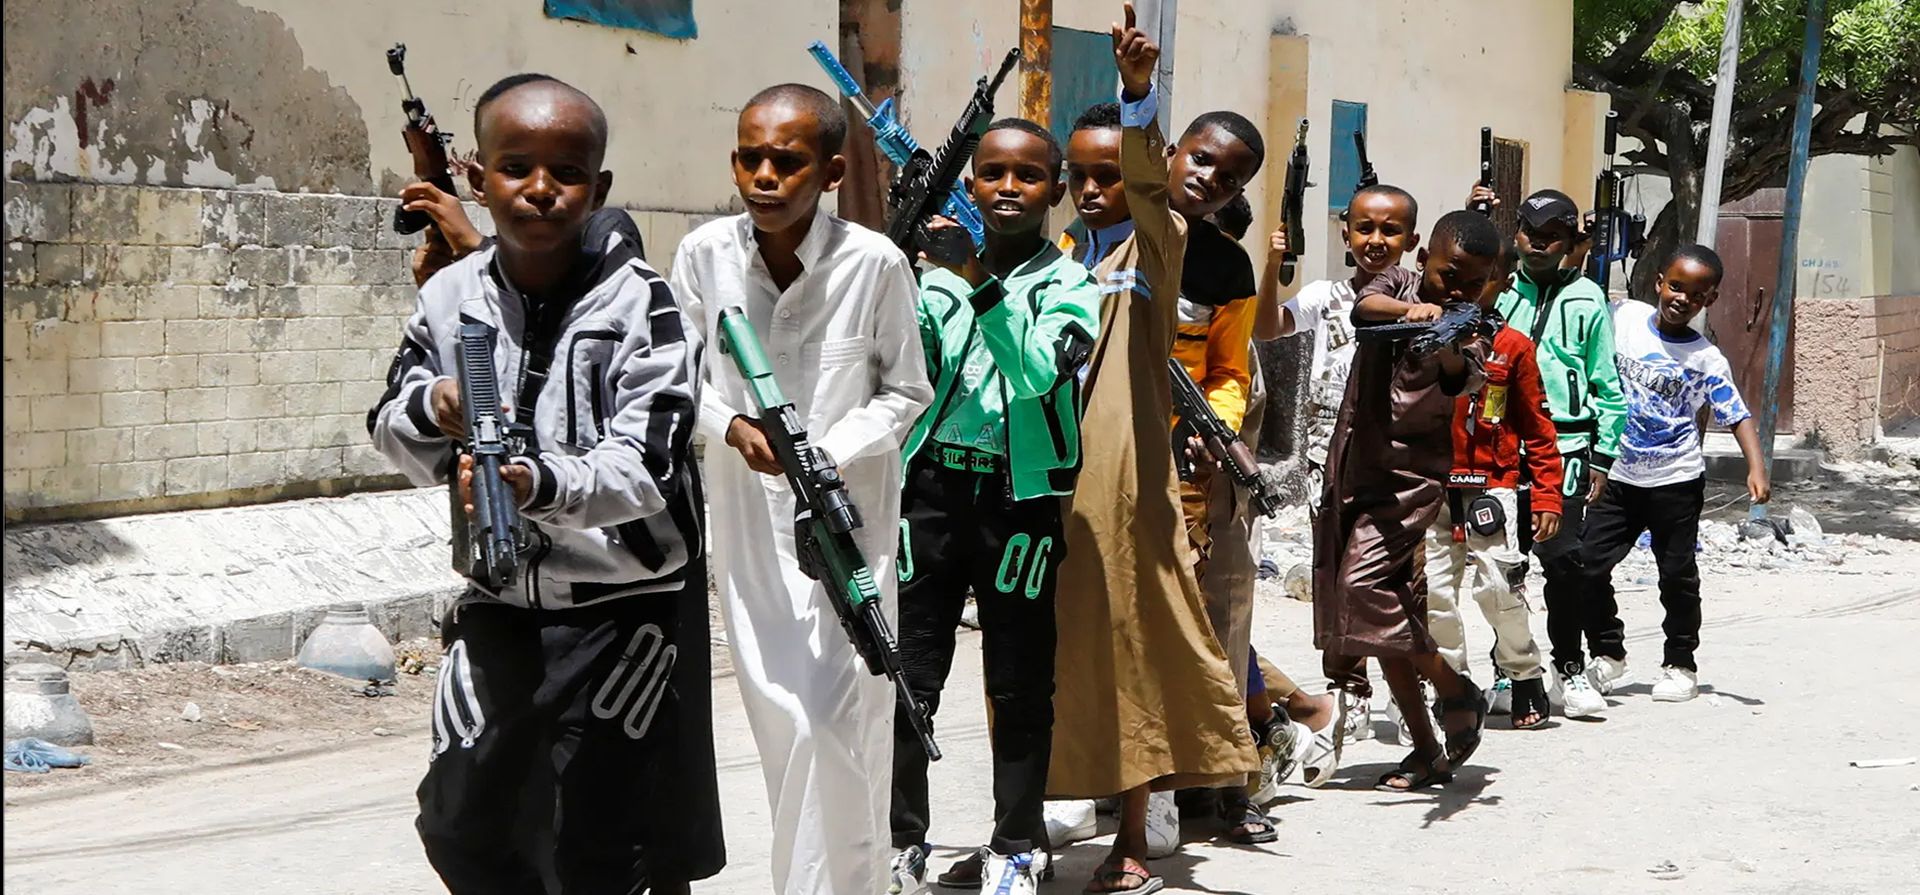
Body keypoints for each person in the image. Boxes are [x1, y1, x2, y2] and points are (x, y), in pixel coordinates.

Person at [368, 73, 719, 895]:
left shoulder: (647, 308)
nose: (539, 189)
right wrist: (437, 406)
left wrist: (537, 482)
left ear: (597, 189)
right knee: (461, 820)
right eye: (515, 165)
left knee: (602, 841)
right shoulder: (451, 296)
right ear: (478, 178)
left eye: (565, 172)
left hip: (620, 611)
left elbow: (650, 464)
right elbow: (388, 423)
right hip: (498, 602)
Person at [670, 83, 932, 895]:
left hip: (848, 528)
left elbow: (907, 391)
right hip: (748, 529)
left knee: (839, 720)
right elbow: (675, 376)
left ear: (829, 171)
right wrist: (730, 427)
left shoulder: (875, 263)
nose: (765, 176)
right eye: (750, 158)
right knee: (785, 723)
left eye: (787, 161)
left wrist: (832, 448)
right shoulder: (702, 256)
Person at [1046, 7, 1262, 891]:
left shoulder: (1163, 234)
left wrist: (1139, 91)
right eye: (1199, 158)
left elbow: (1142, 176)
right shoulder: (1055, 250)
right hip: (1038, 470)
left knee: (1136, 639)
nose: (1207, 177)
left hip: (1124, 470)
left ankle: (1134, 830)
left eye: (1226, 171)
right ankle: (1030, 819)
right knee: (1042, 646)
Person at [884, 118, 1102, 895]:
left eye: (1028, 175)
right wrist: (904, 272)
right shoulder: (935, 278)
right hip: (932, 491)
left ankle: (1017, 841)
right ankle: (901, 836)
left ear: (1057, 190)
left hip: (1019, 502)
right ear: (969, 183)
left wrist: (977, 279)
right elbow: (908, 365)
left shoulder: (1071, 283)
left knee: (1018, 678)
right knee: (907, 672)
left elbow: (1039, 371)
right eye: (991, 173)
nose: (1008, 188)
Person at [1317, 209, 1501, 792]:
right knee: (1388, 611)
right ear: (1426, 260)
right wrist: (1415, 312)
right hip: (1354, 462)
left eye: (1474, 283)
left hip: (1409, 479)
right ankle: (1425, 749)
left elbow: (1457, 377)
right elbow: (1366, 308)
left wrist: (1450, 337)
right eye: (1450, 276)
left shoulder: (1474, 325)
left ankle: (1454, 688)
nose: (1460, 290)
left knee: (1363, 590)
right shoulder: (1397, 283)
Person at [1265, 183, 1429, 782]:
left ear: (1412, 240)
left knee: (1391, 589)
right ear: (1345, 234)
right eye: (1365, 229)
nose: (1376, 242)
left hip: (1394, 474)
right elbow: (1265, 327)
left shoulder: (1420, 297)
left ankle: (1422, 697)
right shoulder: (1324, 296)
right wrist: (1270, 266)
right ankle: (1350, 690)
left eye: (1390, 232)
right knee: (1338, 583)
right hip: (1326, 469)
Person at [1579, 245, 1770, 702]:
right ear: (1660, 282)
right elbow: (1585, 300)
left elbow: (1736, 414)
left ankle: (1680, 664)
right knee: (1586, 566)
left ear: (1710, 300)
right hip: (1618, 477)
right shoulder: (1624, 318)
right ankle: (1608, 653)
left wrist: (1757, 467)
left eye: (1696, 294)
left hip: (1676, 482)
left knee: (1677, 576)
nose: (1682, 298)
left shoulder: (1706, 359)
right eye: (1676, 286)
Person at [1475, 186, 1628, 718]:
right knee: (1502, 567)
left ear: (1569, 243)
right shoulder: (1498, 289)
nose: (1538, 246)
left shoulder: (1588, 298)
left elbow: (1608, 385)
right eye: (1529, 235)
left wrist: (1603, 458)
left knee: (1564, 564)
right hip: (1503, 446)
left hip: (1567, 447)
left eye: (1551, 239)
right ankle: (1507, 671)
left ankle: (1569, 668)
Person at [1423, 240, 1564, 730]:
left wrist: (1546, 494)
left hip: (1492, 487)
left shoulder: (1513, 347)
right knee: (1436, 595)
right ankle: (1453, 686)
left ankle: (1524, 673)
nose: (1468, 289)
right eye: (1459, 278)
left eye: (1484, 279)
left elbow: (1539, 428)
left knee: (1500, 590)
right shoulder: (1425, 336)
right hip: (1431, 489)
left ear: (1503, 282)